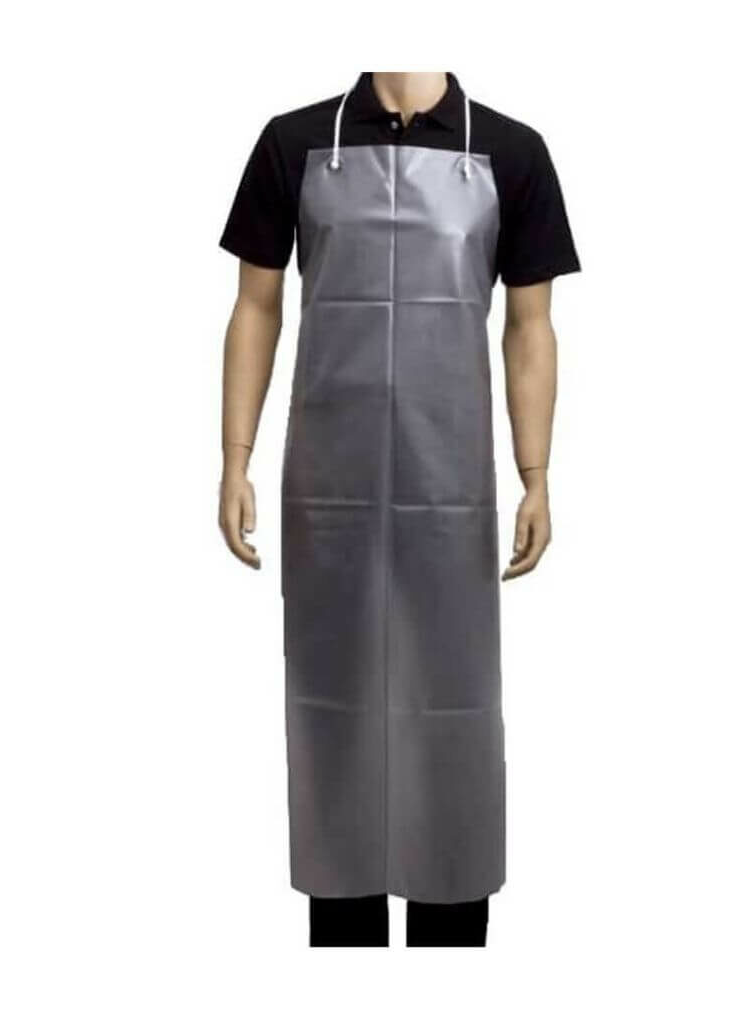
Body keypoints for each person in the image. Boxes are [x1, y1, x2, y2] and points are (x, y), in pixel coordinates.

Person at [218, 71, 580, 947]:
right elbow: (256, 304)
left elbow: (530, 326)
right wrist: (234, 457)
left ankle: (450, 938)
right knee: (333, 708)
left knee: (451, 704)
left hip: (451, 484)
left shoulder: (512, 150)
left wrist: (536, 472)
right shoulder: (294, 141)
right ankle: (344, 946)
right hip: (329, 487)